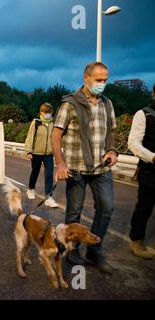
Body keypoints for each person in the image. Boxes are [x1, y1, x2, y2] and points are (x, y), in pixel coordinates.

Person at [52, 62, 118, 274]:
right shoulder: (70, 104)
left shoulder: (107, 104)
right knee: (74, 212)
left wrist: (112, 150)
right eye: (99, 80)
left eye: (105, 80)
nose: (102, 84)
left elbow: (110, 132)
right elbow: (56, 135)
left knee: (106, 208)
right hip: (77, 168)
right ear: (86, 78)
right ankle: (72, 250)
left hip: (101, 168)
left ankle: (95, 250)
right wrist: (60, 164)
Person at [127, 83, 155, 260]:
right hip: (150, 169)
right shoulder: (144, 114)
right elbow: (133, 143)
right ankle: (136, 241)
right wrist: (152, 157)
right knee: (145, 207)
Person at [24, 103, 58, 208]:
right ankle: (30, 189)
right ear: (41, 112)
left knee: (49, 175)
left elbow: (56, 138)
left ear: (52, 113)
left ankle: (48, 197)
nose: (47, 114)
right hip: (36, 153)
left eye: (49, 112)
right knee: (35, 172)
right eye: (45, 112)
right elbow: (30, 137)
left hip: (49, 154)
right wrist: (29, 151)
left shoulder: (53, 123)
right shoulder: (36, 122)